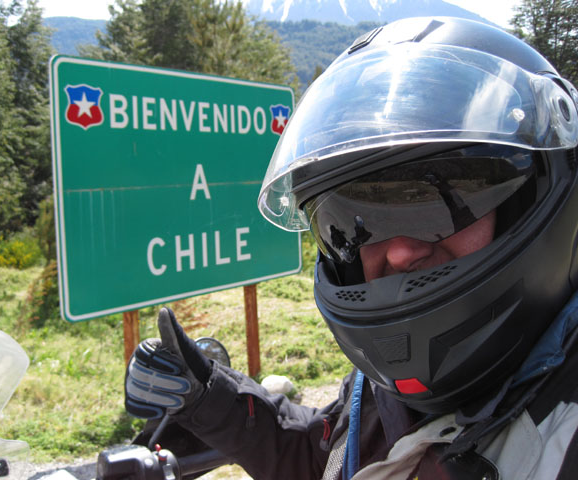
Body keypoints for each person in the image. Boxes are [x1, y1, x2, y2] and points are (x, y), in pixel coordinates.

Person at [124, 16, 578, 479]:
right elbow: (322, 456)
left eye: (445, 204)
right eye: (354, 223)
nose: (400, 254)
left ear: (540, 193)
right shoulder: (379, 394)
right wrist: (208, 396)